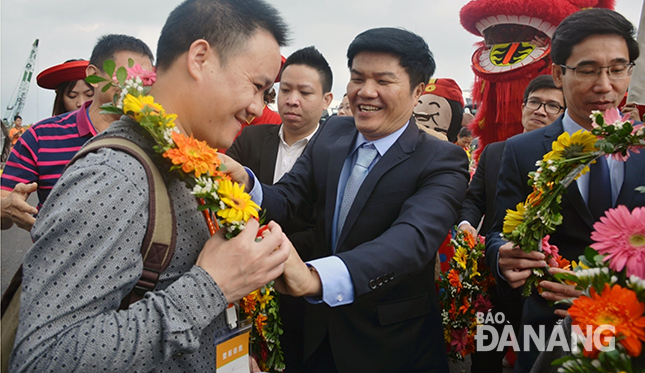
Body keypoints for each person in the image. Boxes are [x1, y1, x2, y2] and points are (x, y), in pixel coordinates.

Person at [10, 0, 290, 373]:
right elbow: (45, 359)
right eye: (257, 87)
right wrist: (210, 286)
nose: (259, 108)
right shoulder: (114, 177)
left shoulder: (190, 161)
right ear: (200, 58)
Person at [226, 27, 470, 372]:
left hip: (392, 345)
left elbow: (411, 239)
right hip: (316, 335)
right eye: (357, 78)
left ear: (417, 91)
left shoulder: (442, 159)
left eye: (383, 81)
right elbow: (291, 197)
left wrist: (317, 278)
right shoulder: (333, 133)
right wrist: (246, 182)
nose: (366, 92)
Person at [485, 8, 645, 372]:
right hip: (548, 332)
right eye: (588, 70)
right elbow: (498, 231)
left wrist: (605, 292)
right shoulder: (522, 150)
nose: (605, 86)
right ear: (558, 73)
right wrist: (501, 256)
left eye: (618, 69)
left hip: (633, 332)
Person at [227, 45, 333, 372]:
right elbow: (228, 203)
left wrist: (269, 249)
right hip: (247, 288)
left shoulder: (337, 151)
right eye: (285, 90)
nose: (292, 100)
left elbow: (325, 226)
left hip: (307, 289)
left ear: (327, 100)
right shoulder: (249, 141)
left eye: (305, 92)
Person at [457, 74, 564, 373]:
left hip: (549, 284)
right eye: (535, 102)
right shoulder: (495, 152)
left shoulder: (573, 157)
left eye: (553, 106)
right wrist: (466, 224)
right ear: (522, 107)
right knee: (486, 359)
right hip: (498, 281)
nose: (541, 111)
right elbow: (474, 200)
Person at [1, 34, 154, 231]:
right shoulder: (40, 137)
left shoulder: (159, 137)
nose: (136, 87)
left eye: (145, 80)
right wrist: (6, 208)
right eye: (127, 76)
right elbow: (5, 201)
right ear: (94, 75)